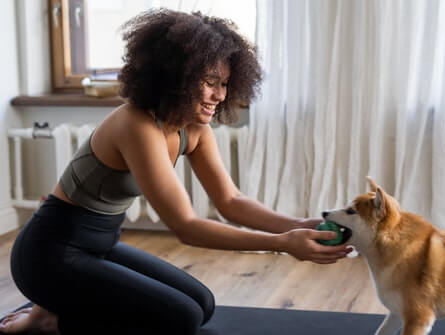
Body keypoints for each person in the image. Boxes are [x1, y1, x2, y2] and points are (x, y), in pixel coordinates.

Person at [0, 9, 351, 335]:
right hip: (49, 255)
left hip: (100, 246)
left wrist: (295, 225)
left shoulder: (194, 128)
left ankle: (54, 311)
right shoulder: (136, 124)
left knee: (203, 304)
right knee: (180, 318)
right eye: (210, 81)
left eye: (225, 83)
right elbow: (187, 227)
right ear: (177, 76)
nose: (219, 94)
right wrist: (281, 244)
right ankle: (51, 319)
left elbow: (231, 200)